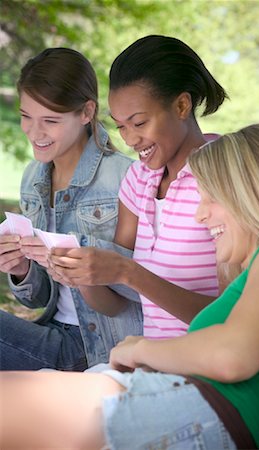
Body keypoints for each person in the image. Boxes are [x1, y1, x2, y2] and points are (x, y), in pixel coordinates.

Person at [1, 123, 259, 450]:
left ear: (250, 194)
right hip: (196, 402)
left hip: (211, 407)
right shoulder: (258, 268)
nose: (200, 216)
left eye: (211, 199)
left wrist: (141, 349)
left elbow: (232, 357)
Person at [49, 35, 229, 340]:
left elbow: (233, 318)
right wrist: (82, 277)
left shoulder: (227, 175)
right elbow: (119, 303)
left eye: (140, 122)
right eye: (121, 126)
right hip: (151, 363)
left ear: (182, 105)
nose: (130, 140)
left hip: (204, 369)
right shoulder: (138, 180)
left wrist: (129, 272)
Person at [0, 47, 142, 371]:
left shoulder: (126, 178)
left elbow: (139, 288)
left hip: (101, 346)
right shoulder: (33, 178)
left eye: (50, 120)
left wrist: (83, 265)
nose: (34, 133)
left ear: (86, 112)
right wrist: (20, 269)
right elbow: (37, 299)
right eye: (26, 116)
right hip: (52, 333)